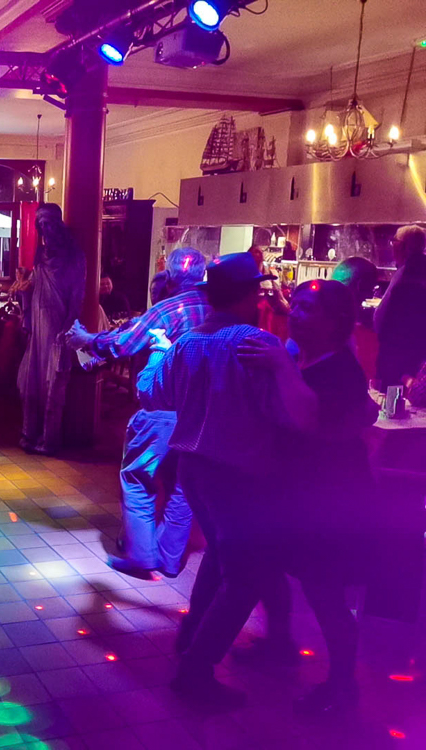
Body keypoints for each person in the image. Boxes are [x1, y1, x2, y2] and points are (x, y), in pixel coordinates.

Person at [139, 252, 317, 707]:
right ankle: (195, 672)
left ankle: (190, 638)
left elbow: (151, 393)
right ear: (247, 295)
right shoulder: (257, 344)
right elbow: (293, 418)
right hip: (240, 474)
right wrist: (286, 368)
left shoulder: (185, 343)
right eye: (256, 291)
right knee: (245, 579)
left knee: (220, 557)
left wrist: (158, 351)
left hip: (193, 470)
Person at [239, 279, 378, 715]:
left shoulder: (340, 370)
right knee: (268, 566)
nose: (295, 314)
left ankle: (342, 687)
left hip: (330, 500)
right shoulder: (305, 356)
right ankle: (280, 644)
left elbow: (308, 421)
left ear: (336, 321)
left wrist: (281, 367)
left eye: (308, 308)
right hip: (294, 492)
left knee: (325, 593)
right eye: (295, 305)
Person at [66, 248, 210, 578]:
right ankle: (170, 559)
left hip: (164, 408)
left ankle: (143, 558)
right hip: (203, 414)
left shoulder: (167, 310)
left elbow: (124, 344)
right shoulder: (217, 308)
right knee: (181, 486)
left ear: (170, 277)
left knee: (137, 479)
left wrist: (85, 339)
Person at [17, 203, 85, 456]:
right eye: (40, 224)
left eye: (48, 223)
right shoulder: (41, 255)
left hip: (57, 327)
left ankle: (49, 438)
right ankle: (29, 432)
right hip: (38, 328)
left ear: (57, 224)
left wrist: (67, 327)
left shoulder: (74, 256)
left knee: (53, 383)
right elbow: (33, 286)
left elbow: (77, 296)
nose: (44, 229)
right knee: (31, 381)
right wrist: (25, 287)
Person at [374, 224, 426, 386]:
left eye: (394, 242)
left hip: (398, 351)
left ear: (402, 246)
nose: (392, 246)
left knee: (392, 392)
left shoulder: (406, 272)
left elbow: (383, 316)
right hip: (418, 349)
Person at [332, 256, 379, 381]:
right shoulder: (364, 336)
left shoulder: (313, 321)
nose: (371, 294)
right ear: (361, 286)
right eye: (372, 288)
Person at [249, 245, 290, 342]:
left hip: (268, 319)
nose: (258, 254)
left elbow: (280, 297)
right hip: (251, 317)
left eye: (260, 252)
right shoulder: (246, 274)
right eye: (255, 252)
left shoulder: (272, 273)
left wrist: (288, 309)